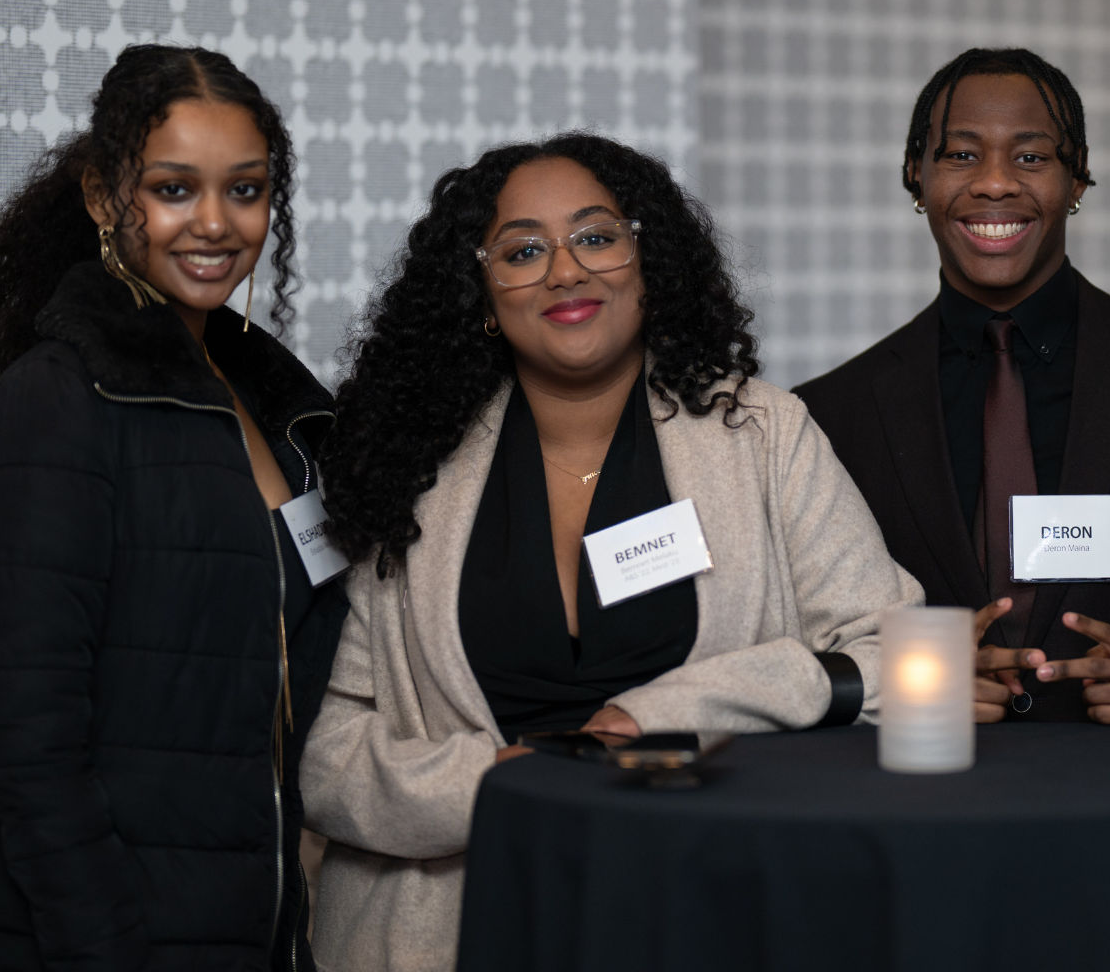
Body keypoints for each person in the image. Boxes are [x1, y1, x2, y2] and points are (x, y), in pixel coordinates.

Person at [301, 132, 918, 971]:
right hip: (455, 923)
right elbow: (329, 746)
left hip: (712, 902)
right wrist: (498, 781)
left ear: (647, 260)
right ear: (480, 291)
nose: (565, 271)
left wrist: (658, 720)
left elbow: (894, 656)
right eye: (523, 251)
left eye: (595, 237)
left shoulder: (763, 433)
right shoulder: (410, 465)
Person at [0, 45, 347, 970]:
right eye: (173, 187)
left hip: (244, 929)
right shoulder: (57, 405)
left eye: (246, 189)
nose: (215, 223)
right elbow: (21, 755)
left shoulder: (279, 404)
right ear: (103, 196)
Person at [795, 48, 1110, 727]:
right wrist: (909, 683)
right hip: (922, 806)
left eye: (1030, 158)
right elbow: (811, 642)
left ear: (1077, 179)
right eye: (960, 155)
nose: (993, 184)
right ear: (915, 175)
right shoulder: (832, 416)